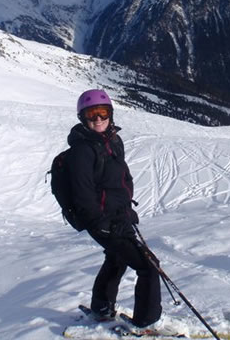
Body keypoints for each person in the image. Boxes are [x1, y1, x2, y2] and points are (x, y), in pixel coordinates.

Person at [65, 88, 162, 328]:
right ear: (82, 118)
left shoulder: (112, 141)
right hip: (103, 222)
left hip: (118, 218)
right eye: (91, 114)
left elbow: (118, 182)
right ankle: (144, 323)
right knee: (148, 266)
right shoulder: (82, 151)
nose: (98, 119)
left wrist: (126, 212)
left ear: (110, 114)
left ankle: (101, 308)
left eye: (103, 112)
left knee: (117, 259)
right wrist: (104, 225)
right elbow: (83, 194)